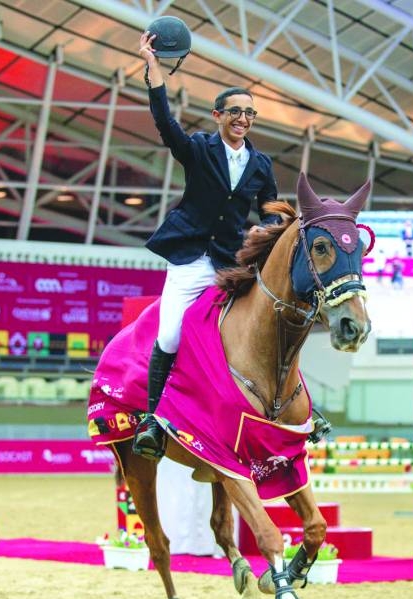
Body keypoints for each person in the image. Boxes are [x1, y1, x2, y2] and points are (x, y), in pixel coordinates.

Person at [133, 29, 280, 461]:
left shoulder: (260, 164)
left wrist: (266, 229)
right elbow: (165, 124)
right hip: (189, 259)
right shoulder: (198, 149)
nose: (243, 119)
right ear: (218, 116)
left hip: (230, 262)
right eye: (235, 111)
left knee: (267, 323)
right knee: (173, 333)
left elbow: (270, 207)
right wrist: (153, 68)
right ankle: (153, 420)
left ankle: (291, 411)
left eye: (250, 113)